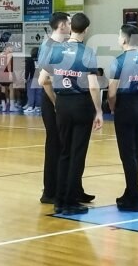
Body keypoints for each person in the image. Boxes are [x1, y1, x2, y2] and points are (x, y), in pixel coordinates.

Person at [39, 12, 102, 215]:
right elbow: (93, 86)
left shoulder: (56, 50)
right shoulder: (87, 52)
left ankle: (60, 199)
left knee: (64, 152)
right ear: (86, 29)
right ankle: (69, 200)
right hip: (80, 104)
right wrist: (99, 110)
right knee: (77, 154)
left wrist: (57, 101)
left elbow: (42, 79)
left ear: (71, 27)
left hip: (62, 104)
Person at [109, 23, 138, 212]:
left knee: (127, 154)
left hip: (125, 106)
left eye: (119, 36)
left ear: (124, 39)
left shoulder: (119, 61)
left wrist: (113, 108)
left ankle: (135, 198)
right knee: (135, 152)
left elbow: (112, 93)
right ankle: (130, 192)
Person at [37, 13, 72, 204]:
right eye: (69, 22)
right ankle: (49, 191)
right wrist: (56, 103)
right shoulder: (50, 46)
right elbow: (45, 80)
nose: (71, 25)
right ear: (62, 25)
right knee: (54, 145)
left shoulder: (63, 45)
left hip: (60, 98)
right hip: (52, 100)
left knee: (62, 144)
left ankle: (63, 187)